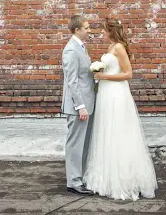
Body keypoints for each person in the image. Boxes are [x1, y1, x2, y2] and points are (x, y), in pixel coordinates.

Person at [83, 17, 158, 201]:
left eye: (102, 31)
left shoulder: (118, 48)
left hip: (116, 94)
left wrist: (104, 77)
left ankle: (123, 179)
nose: (100, 34)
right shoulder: (110, 48)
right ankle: (106, 178)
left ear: (110, 31)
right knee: (106, 132)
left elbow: (128, 73)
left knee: (118, 132)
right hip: (106, 95)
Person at [61, 14, 96, 195]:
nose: (89, 31)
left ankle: (79, 177)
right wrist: (80, 106)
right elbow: (72, 81)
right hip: (78, 107)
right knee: (75, 144)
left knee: (83, 143)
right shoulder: (71, 50)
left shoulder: (81, 47)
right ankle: (73, 182)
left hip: (86, 104)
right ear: (77, 30)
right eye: (87, 28)